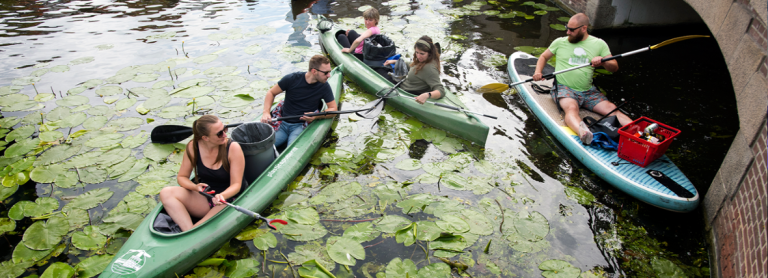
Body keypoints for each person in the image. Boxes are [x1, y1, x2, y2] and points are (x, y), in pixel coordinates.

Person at [532, 13, 632, 145]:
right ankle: (584, 134)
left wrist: (603, 62)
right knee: (572, 108)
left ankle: (639, 132)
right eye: (567, 28)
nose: (568, 32)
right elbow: (544, 57)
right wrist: (538, 71)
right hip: (565, 88)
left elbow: (614, 67)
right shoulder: (560, 42)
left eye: (572, 30)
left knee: (612, 109)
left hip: (588, 91)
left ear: (584, 28)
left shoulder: (599, 44)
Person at [159, 115, 245, 232]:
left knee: (198, 229)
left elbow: (236, 185)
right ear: (205, 138)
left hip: (228, 200)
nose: (225, 135)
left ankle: (191, 232)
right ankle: (187, 231)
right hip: (206, 198)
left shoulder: (233, 148)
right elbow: (182, 177)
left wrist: (222, 196)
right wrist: (195, 187)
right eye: (220, 133)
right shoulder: (193, 146)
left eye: (225, 129)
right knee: (166, 193)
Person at [260, 55, 337, 147]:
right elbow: (271, 93)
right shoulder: (291, 79)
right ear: (314, 71)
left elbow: (333, 109)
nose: (329, 75)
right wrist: (266, 112)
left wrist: (316, 116)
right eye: (326, 72)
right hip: (282, 123)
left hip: (300, 126)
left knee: (291, 151)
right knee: (264, 147)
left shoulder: (324, 86)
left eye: (329, 72)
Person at [384, 35, 446, 104]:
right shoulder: (424, 60)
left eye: (422, 53)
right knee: (384, 69)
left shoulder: (430, 69)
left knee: (381, 72)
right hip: (404, 83)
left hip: (407, 91)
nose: (418, 56)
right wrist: (395, 62)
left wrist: (427, 95)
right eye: (417, 52)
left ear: (429, 53)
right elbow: (413, 65)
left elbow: (441, 91)